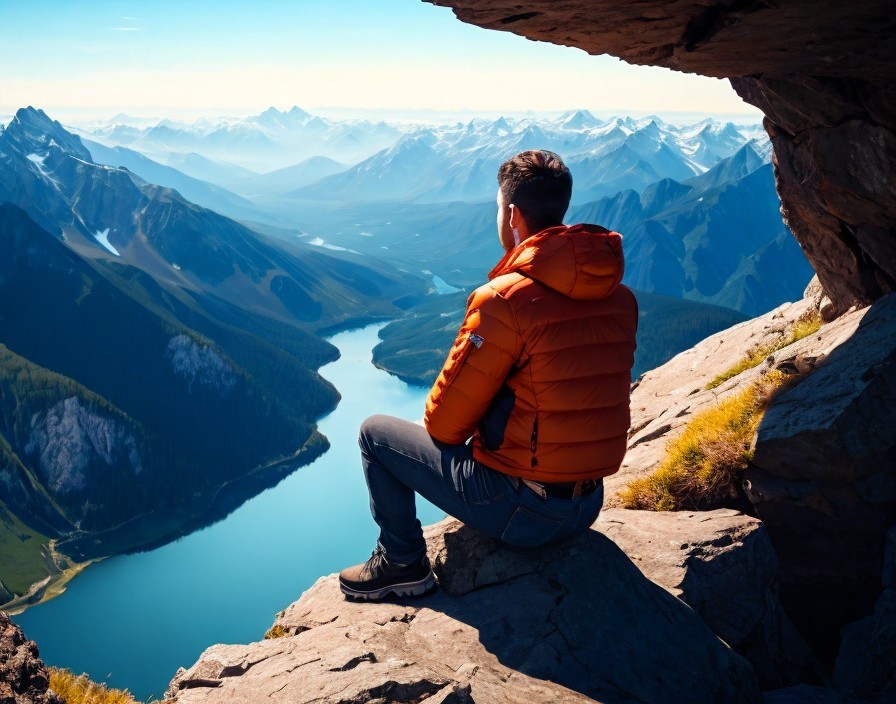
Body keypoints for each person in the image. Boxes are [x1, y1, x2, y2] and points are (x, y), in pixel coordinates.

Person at [339, 149, 638, 600]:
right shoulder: (620, 297)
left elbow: (443, 425)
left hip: (524, 513)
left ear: (513, 214)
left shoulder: (503, 301)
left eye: (500, 208)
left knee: (375, 435)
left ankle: (401, 563)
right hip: (588, 503)